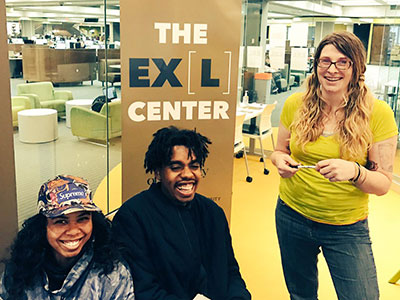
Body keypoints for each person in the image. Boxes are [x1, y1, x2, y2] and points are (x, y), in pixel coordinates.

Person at [270, 31, 398, 300]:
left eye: (343, 62)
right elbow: (280, 151)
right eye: (325, 61)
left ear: (357, 67)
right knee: (301, 294)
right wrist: (279, 160)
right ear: (316, 65)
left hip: (346, 227)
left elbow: (383, 184)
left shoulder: (378, 113)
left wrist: (355, 171)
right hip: (291, 215)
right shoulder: (296, 104)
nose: (332, 69)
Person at [112, 126, 251, 300]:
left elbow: (230, 271)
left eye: (194, 166)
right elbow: (142, 290)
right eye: (176, 167)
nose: (187, 174)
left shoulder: (213, 212)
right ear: (158, 172)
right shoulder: (132, 217)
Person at [0, 175, 135, 300]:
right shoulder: (21, 267)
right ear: (43, 225)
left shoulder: (111, 275)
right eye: (61, 221)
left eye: (82, 219)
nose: (73, 231)